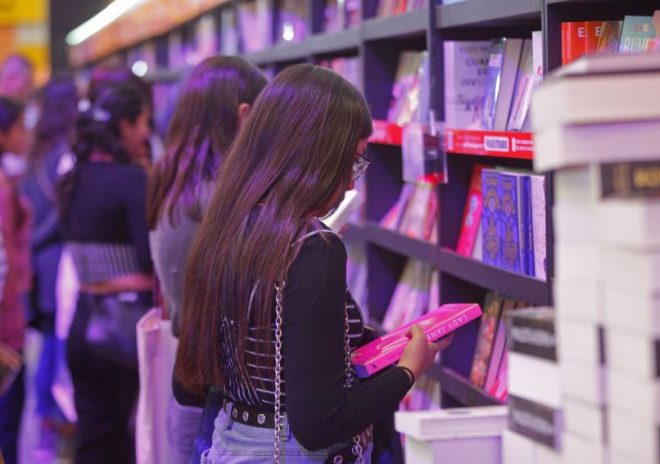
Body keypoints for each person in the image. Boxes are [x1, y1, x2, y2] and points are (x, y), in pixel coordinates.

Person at [175, 64, 452, 464]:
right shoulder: (312, 247)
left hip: (229, 442)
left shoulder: (225, 227)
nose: (352, 184)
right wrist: (408, 370)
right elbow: (320, 422)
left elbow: (187, 384)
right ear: (316, 156)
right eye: (352, 162)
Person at [147, 56, 267, 464]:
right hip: (222, 386)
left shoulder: (172, 178)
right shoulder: (224, 197)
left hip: (190, 368)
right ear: (244, 114)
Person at [59, 83, 152, 464]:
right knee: (125, 441)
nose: (148, 133)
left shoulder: (73, 178)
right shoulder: (132, 181)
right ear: (126, 126)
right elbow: (149, 261)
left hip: (82, 322)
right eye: (144, 122)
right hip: (123, 326)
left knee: (94, 439)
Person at [21, 74, 79, 453]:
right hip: (55, 260)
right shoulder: (64, 151)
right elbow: (62, 215)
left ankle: (46, 415)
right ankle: (55, 416)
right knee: (57, 341)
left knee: (46, 339)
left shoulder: (35, 149)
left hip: (36, 262)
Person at [0, 97, 32, 464]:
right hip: (6, 329)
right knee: (7, 424)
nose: (26, 135)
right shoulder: (4, 189)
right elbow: (3, 263)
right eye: (21, 127)